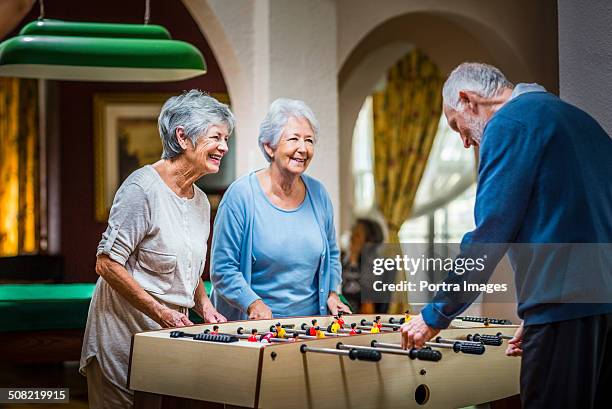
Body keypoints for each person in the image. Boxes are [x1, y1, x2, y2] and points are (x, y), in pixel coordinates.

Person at [400, 62, 612, 409]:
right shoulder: (576, 119)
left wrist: (435, 315)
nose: (467, 142)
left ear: (468, 100)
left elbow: (489, 236)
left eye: (458, 127)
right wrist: (541, 311)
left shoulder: (509, 124)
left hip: (564, 309)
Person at [80, 90, 234, 409]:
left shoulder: (202, 202)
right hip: (119, 338)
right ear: (183, 137)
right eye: (216, 137)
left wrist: (203, 305)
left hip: (160, 343)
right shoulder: (142, 189)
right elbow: (107, 264)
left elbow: (188, 269)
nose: (224, 147)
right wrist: (162, 312)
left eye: (226, 138)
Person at [210, 98, 351, 320]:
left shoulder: (319, 194)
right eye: (294, 139)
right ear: (269, 146)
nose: (303, 149)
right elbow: (223, 269)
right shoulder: (241, 196)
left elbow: (332, 254)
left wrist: (333, 293)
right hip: (255, 330)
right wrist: (253, 304)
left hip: (311, 328)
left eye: (309, 140)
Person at [341, 218, 386, 313]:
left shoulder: (374, 266)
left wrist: (353, 258)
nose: (352, 237)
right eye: (353, 233)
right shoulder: (344, 259)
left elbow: (368, 307)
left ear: (369, 241)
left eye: (357, 235)